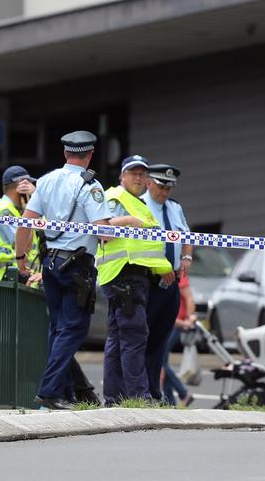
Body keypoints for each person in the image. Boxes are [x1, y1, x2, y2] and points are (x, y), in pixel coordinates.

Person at [14, 131, 142, 410]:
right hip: (77, 267)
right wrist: (128, 220)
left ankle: (64, 392)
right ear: (90, 154)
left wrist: (21, 258)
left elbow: (26, 223)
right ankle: (50, 391)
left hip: (50, 263)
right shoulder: (90, 186)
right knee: (73, 329)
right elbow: (104, 232)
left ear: (65, 153)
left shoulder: (45, 181)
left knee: (58, 328)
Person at [98, 154, 173, 404]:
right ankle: (138, 396)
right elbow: (102, 231)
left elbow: (148, 246)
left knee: (119, 339)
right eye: (134, 173)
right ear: (122, 175)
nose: (139, 178)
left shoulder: (138, 203)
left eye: (142, 174)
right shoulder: (115, 198)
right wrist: (129, 221)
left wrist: (163, 267)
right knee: (134, 335)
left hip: (133, 277)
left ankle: (114, 398)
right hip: (124, 275)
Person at [142, 163, 193, 401]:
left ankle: (154, 391)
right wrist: (160, 268)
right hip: (149, 279)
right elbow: (142, 246)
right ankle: (139, 389)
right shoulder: (141, 206)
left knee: (161, 340)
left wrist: (186, 257)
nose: (165, 193)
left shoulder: (174, 208)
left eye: (169, 189)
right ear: (149, 182)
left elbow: (186, 235)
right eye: (161, 187)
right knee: (143, 337)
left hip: (172, 280)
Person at [0, 166, 36, 280]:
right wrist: (32, 205)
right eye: (29, 185)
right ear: (21, 185)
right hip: (10, 277)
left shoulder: (16, 212)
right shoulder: (5, 212)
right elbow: (24, 244)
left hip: (17, 277)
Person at [161, 271, 196, 407]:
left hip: (176, 323)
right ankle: (170, 402)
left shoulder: (178, 272)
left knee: (160, 362)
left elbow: (188, 297)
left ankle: (183, 393)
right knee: (162, 362)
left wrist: (189, 317)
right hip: (172, 322)